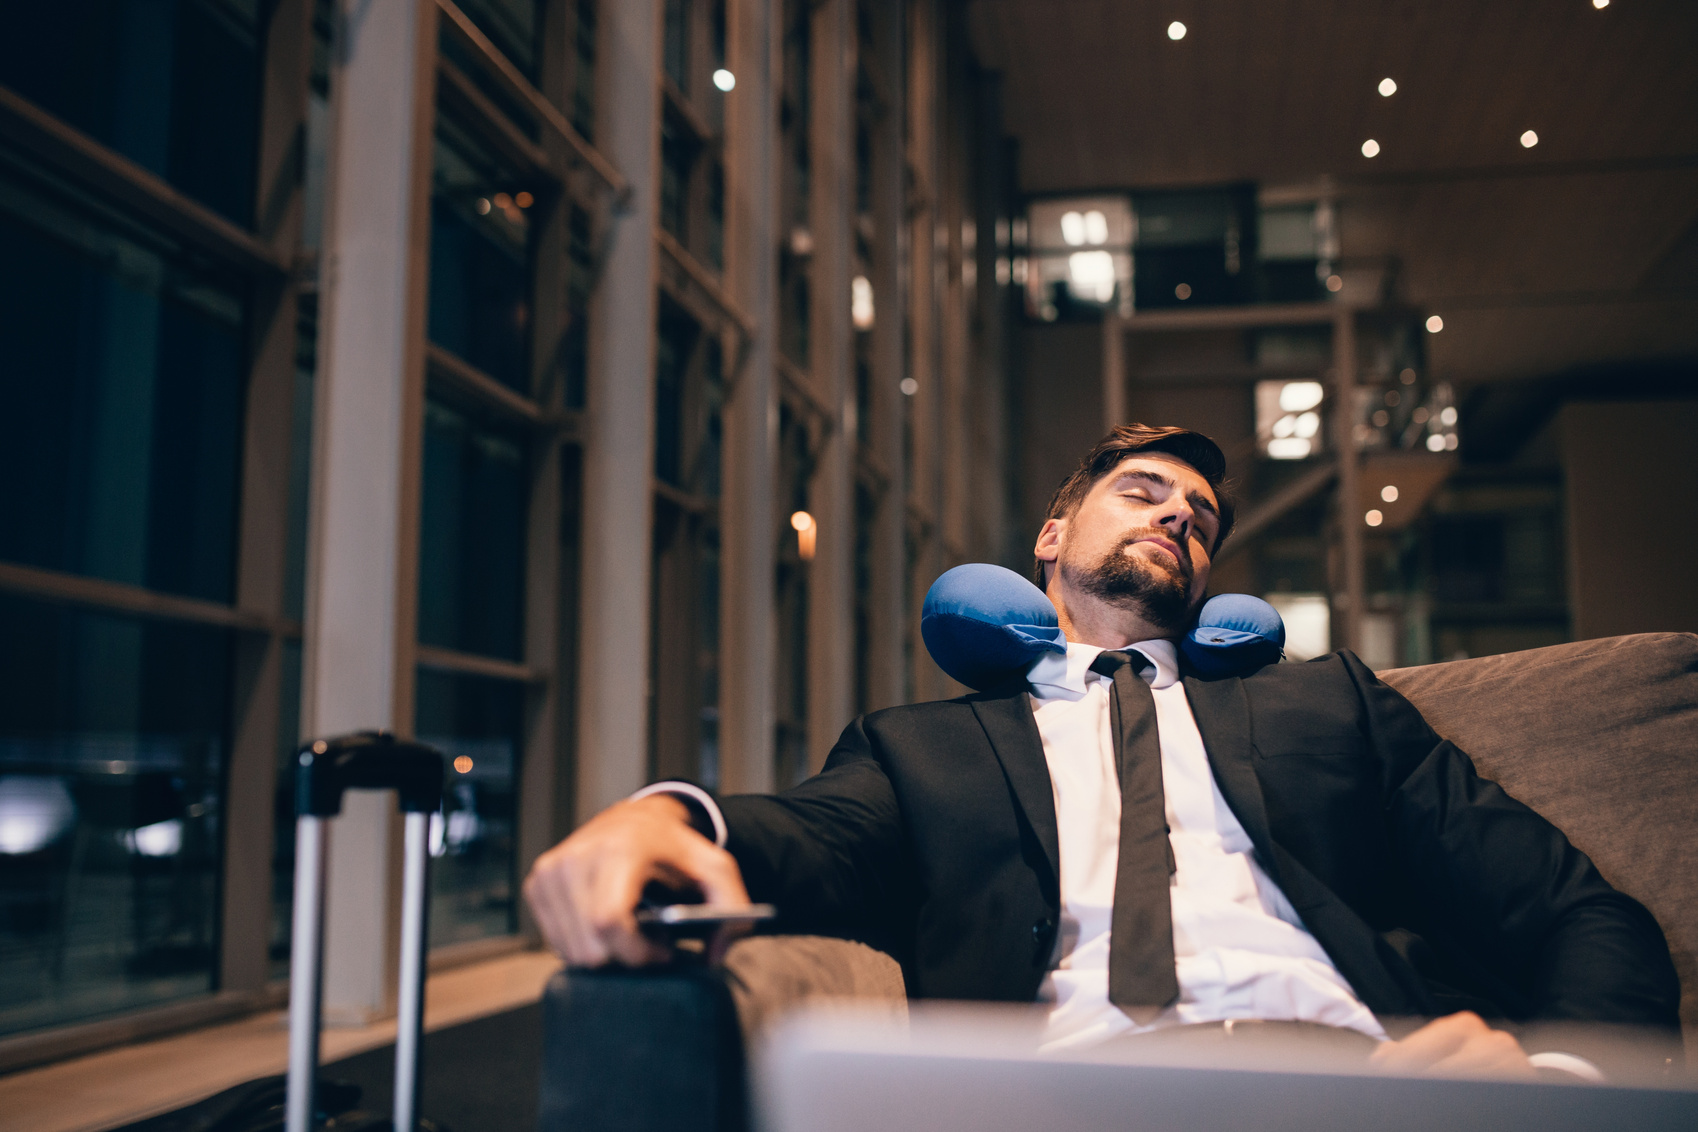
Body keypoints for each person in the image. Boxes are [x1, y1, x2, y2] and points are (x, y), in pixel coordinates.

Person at [524, 423, 1680, 1078]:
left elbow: (1582, 912)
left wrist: (1558, 1092)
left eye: (1200, 515)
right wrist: (662, 815)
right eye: (1142, 491)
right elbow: (808, 838)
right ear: (1052, 536)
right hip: (1062, 1089)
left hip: (1348, 1080)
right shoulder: (926, 749)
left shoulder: (1330, 706)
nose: (1179, 513)